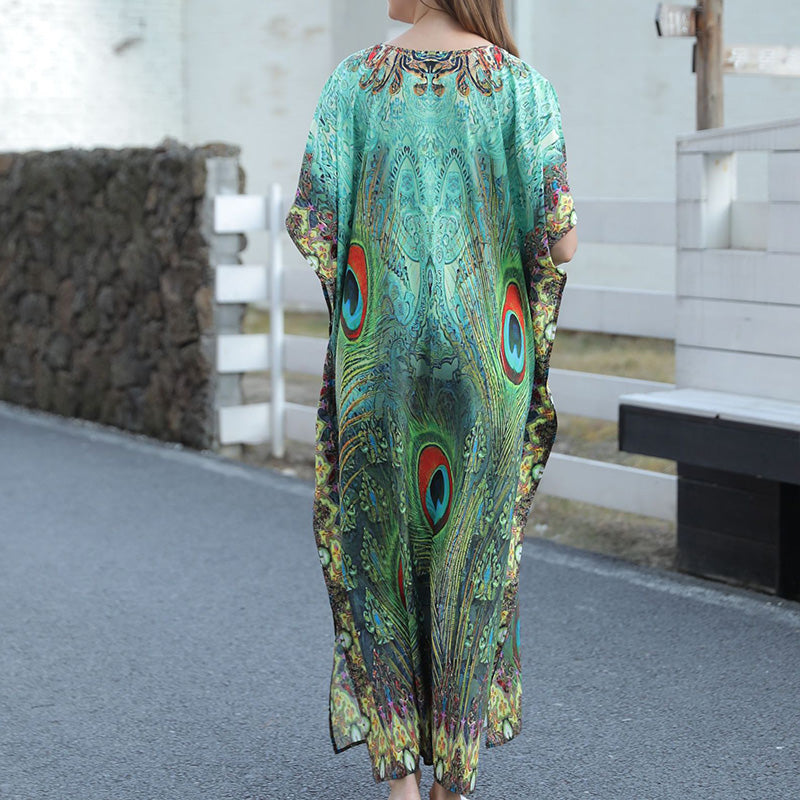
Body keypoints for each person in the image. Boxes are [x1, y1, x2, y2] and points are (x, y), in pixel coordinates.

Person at [284, 1, 578, 797]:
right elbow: (559, 237)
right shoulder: (521, 87)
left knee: (378, 556)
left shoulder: (354, 83)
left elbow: (313, 224)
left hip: (377, 362)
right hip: (487, 362)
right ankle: (453, 773)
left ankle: (401, 785)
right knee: (470, 568)